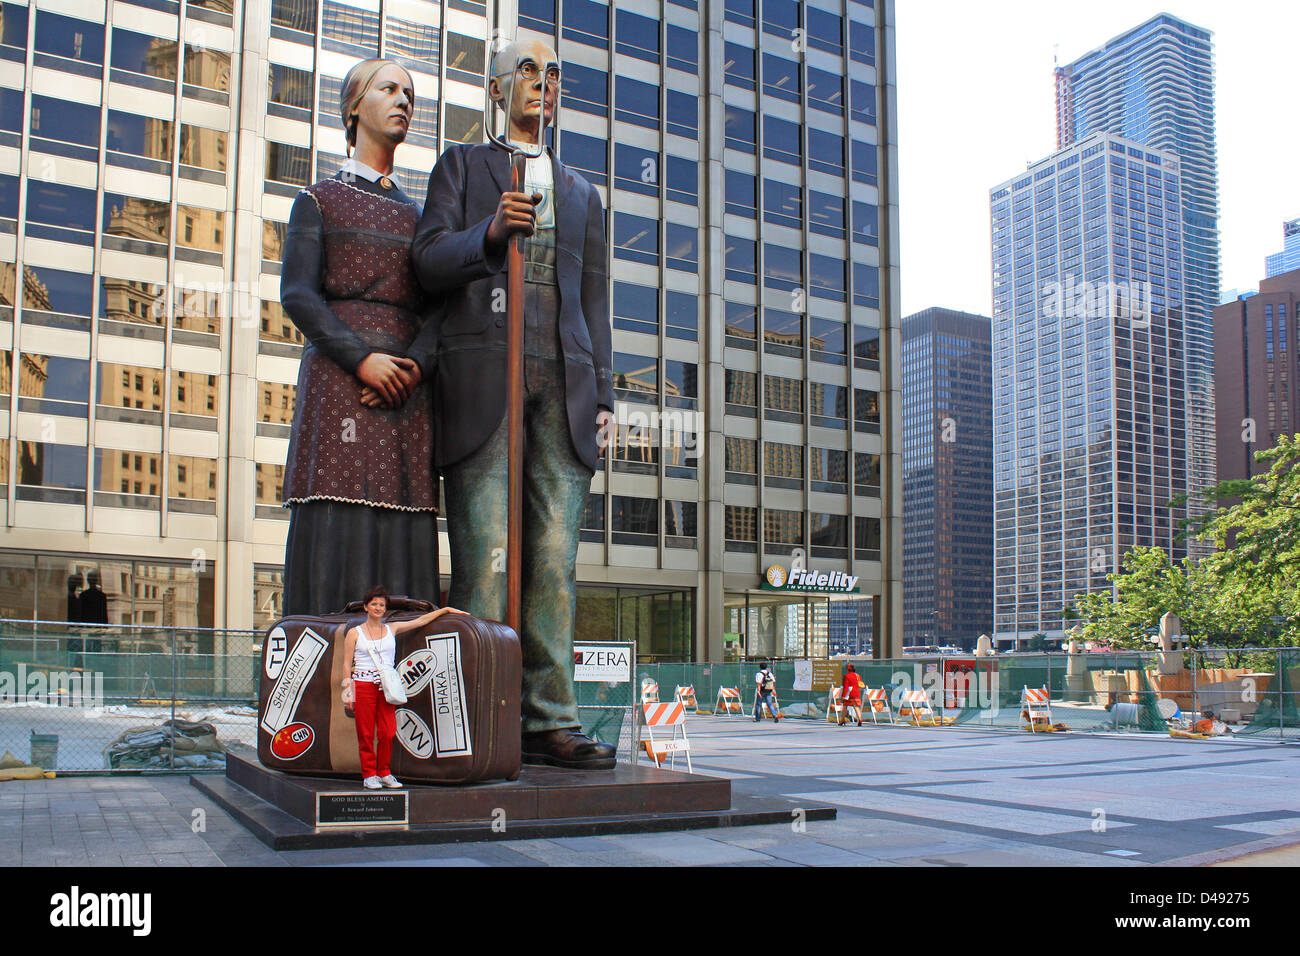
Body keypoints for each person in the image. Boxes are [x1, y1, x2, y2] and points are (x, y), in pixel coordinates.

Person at [410, 38, 615, 770]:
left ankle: (549, 720)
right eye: (529, 71)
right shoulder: (461, 169)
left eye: (554, 73)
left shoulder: (584, 193)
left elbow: (594, 302)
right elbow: (427, 262)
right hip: (483, 380)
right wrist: (491, 232)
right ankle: (469, 716)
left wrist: (606, 395)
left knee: (554, 560)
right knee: (485, 559)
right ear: (498, 87)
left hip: (565, 383)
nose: (543, 83)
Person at [279, 59, 441, 616]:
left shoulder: (424, 220)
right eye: (388, 88)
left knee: (404, 529)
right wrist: (362, 360)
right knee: (334, 525)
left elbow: (441, 311)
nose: (404, 100)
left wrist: (414, 367)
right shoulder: (317, 199)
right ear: (353, 107)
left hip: (406, 398)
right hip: (338, 386)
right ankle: (320, 679)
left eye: (410, 94)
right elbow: (299, 295)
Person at [341, 585, 468, 789]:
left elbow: (420, 621)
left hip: (387, 687)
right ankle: (369, 774)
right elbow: (347, 663)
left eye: (382, 605)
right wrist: (348, 691)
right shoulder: (355, 633)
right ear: (365, 607)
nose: (378, 608)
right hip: (363, 685)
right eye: (374, 604)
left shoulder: (392, 628)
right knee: (365, 733)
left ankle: (384, 772)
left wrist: (445, 610)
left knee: (388, 732)